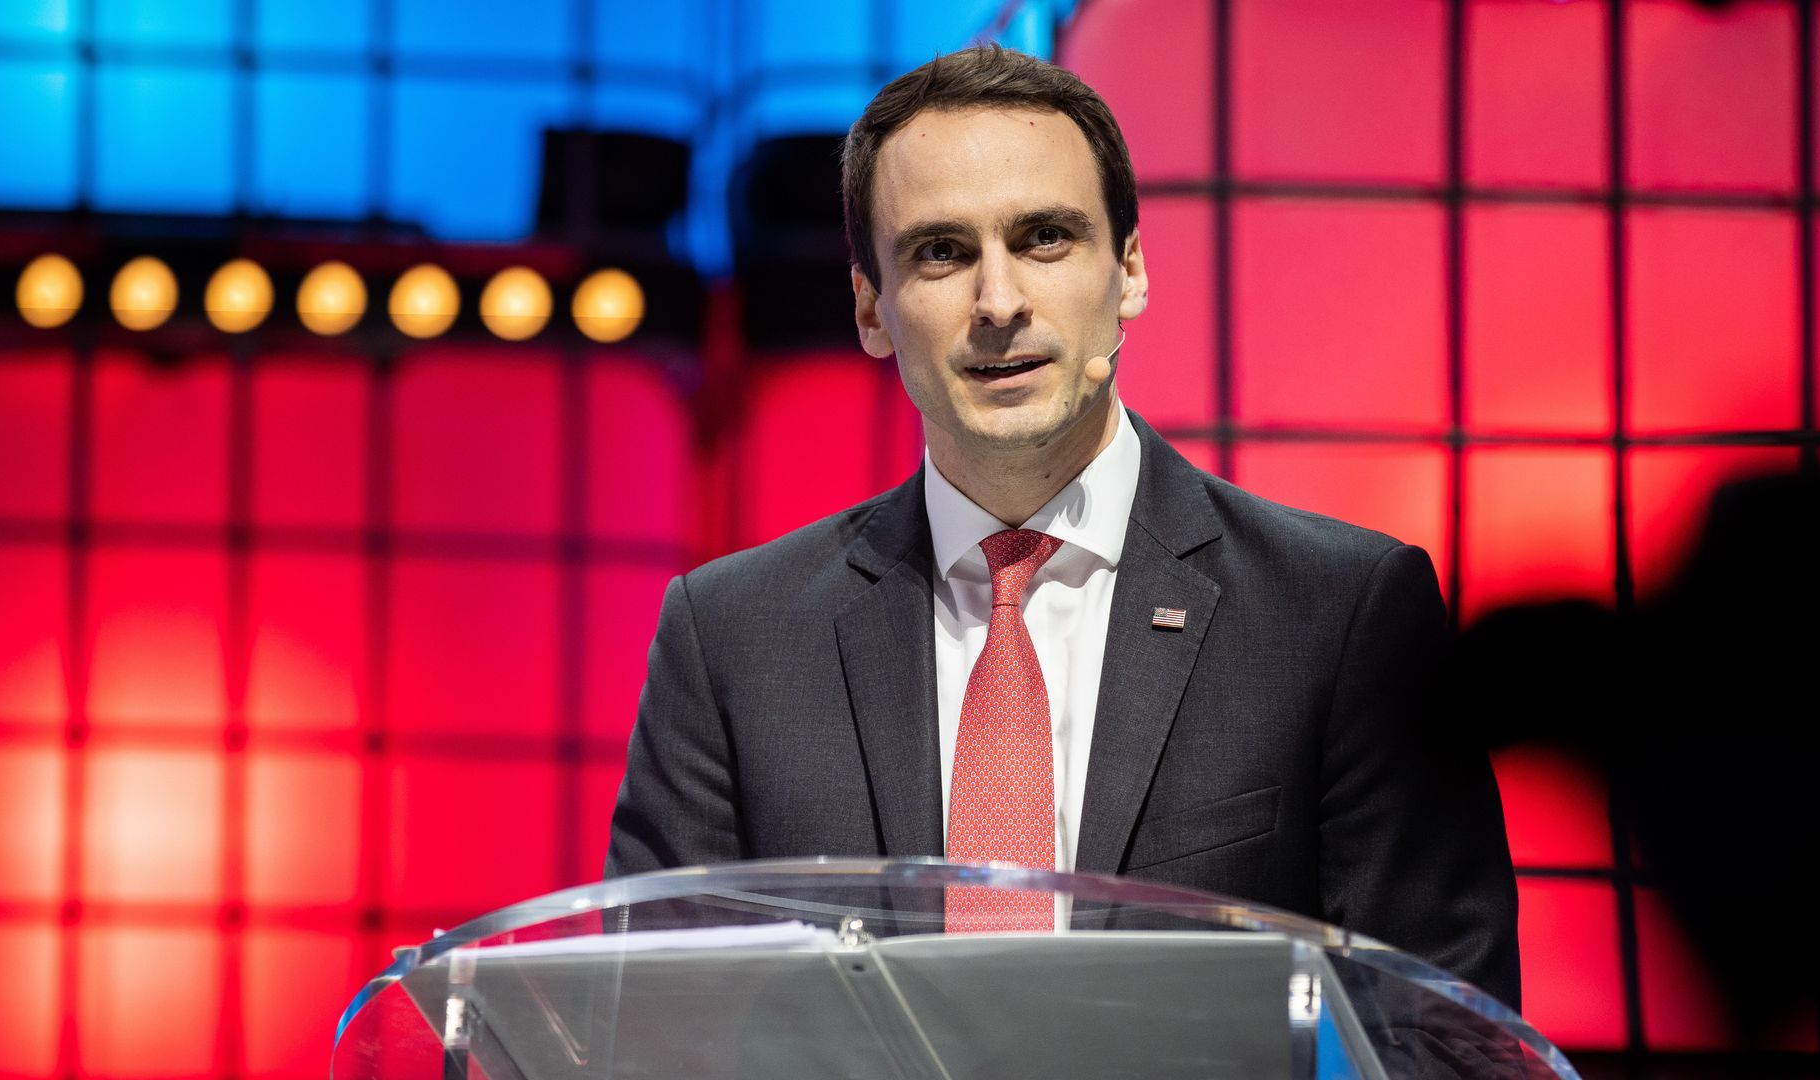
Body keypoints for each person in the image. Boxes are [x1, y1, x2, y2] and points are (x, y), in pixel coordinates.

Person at [605, 45, 1519, 1006]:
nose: (999, 303)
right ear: (872, 307)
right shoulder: (731, 640)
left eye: (1044, 239)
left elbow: (1442, 1036)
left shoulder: (1338, 619)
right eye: (942, 253)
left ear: (1127, 271)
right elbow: (652, 1030)